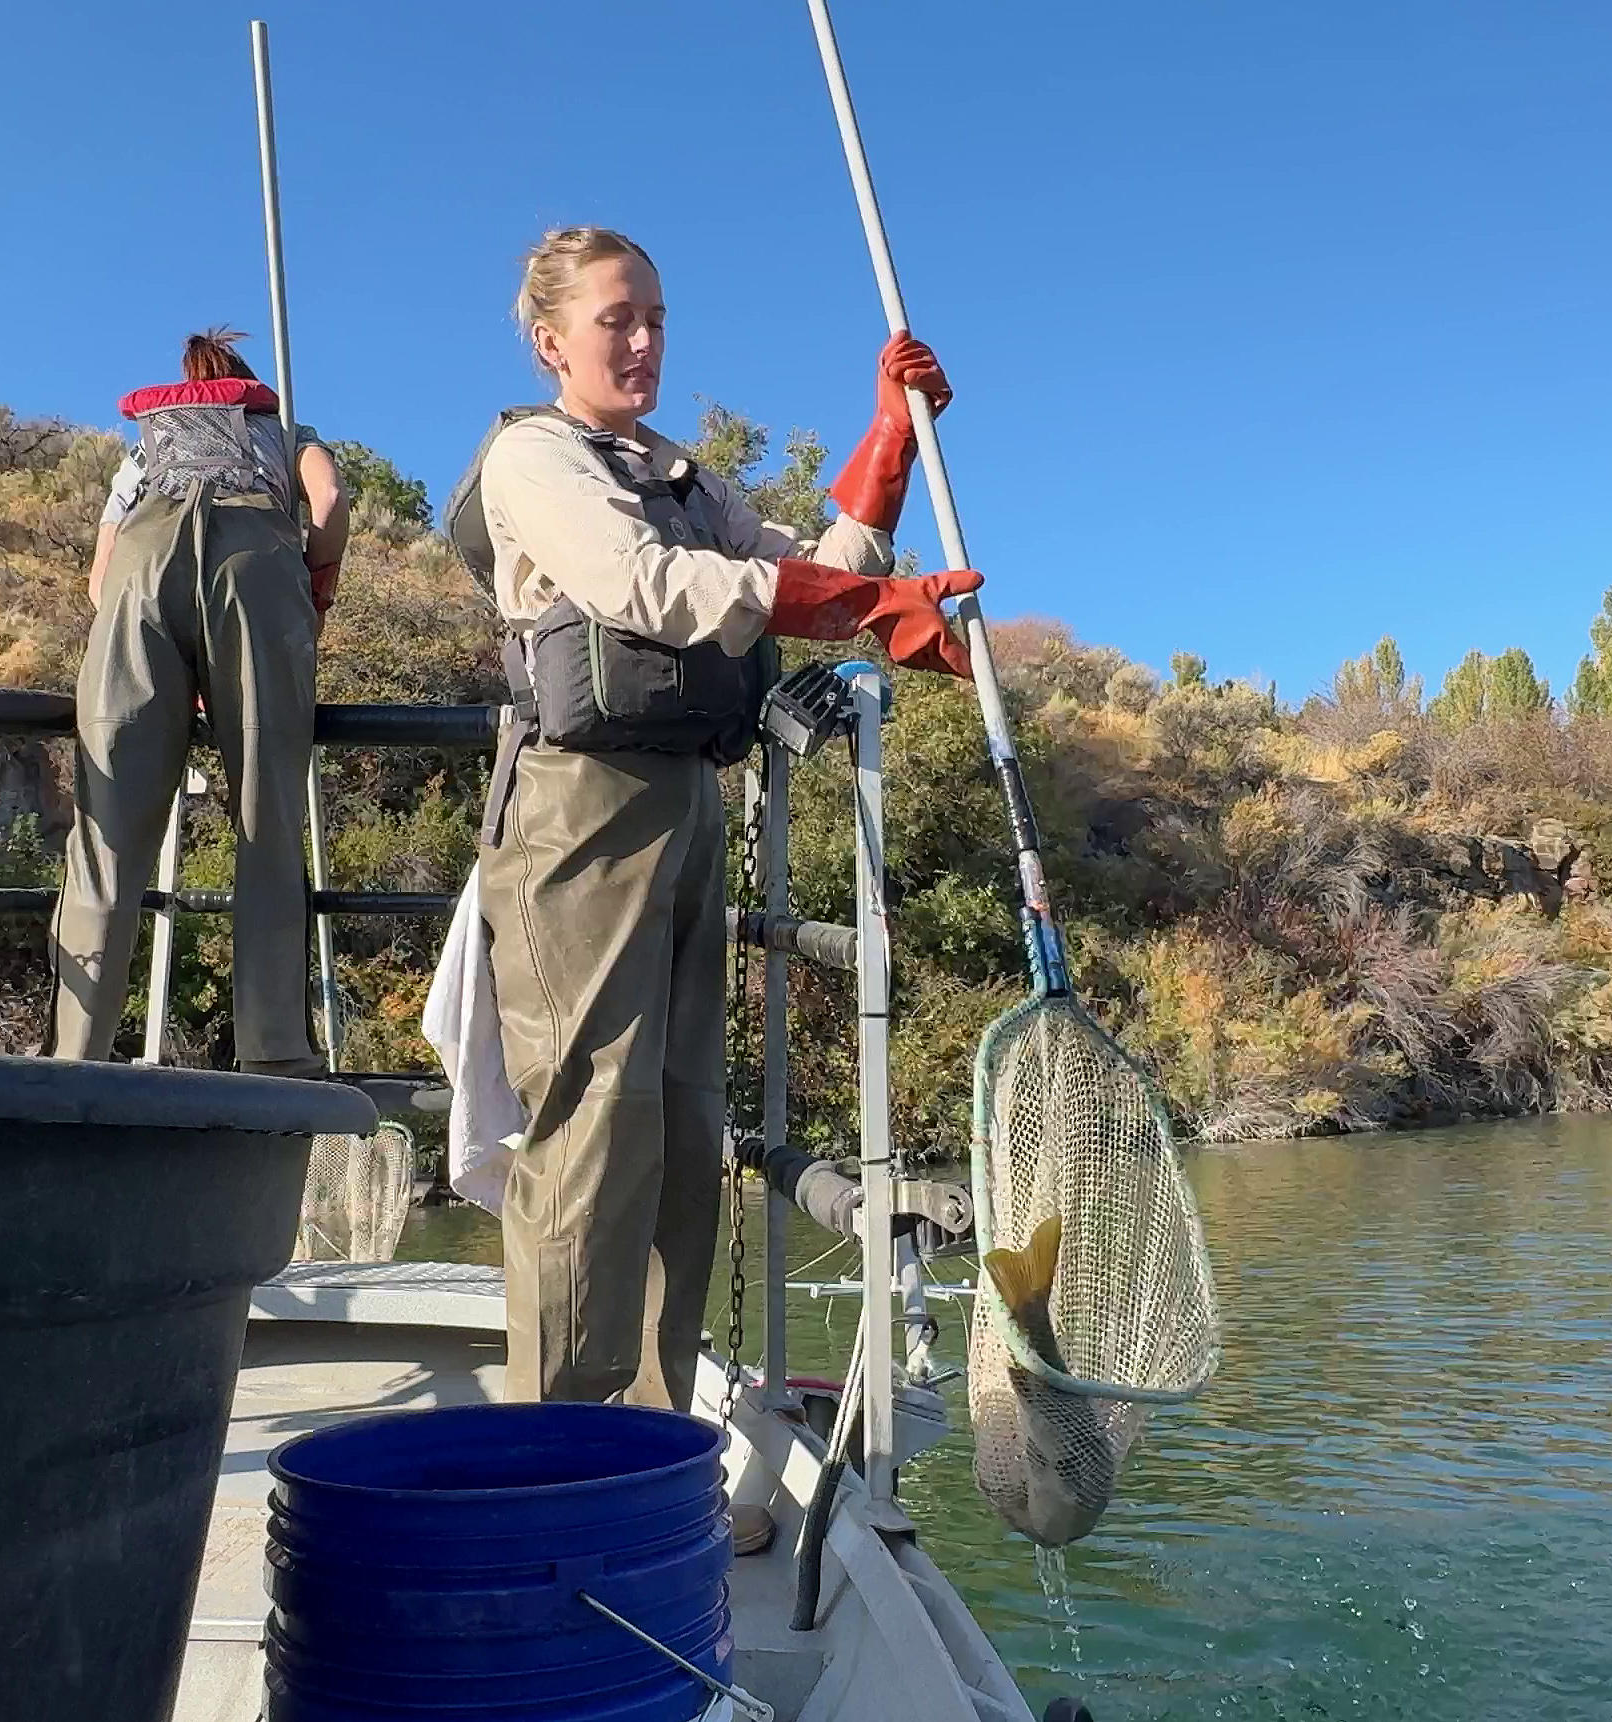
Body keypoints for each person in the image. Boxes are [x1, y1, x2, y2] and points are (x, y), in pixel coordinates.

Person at [464, 226, 982, 1412]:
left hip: (692, 804)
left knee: (685, 1128)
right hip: (576, 818)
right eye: (614, 320)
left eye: (654, 317)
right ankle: (562, 1445)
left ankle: (653, 1434)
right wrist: (868, 610)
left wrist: (890, 437)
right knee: (591, 1121)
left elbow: (819, 558)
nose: (642, 341)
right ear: (551, 341)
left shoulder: (687, 476)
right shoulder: (533, 462)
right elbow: (651, 587)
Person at [49, 328, 349, 1076]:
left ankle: (74, 1059)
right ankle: (275, 1055)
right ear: (246, 385)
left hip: (140, 570)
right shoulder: (283, 431)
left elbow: (100, 577)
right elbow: (331, 498)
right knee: (266, 818)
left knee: (106, 833)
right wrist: (314, 589)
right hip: (256, 564)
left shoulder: (145, 446)